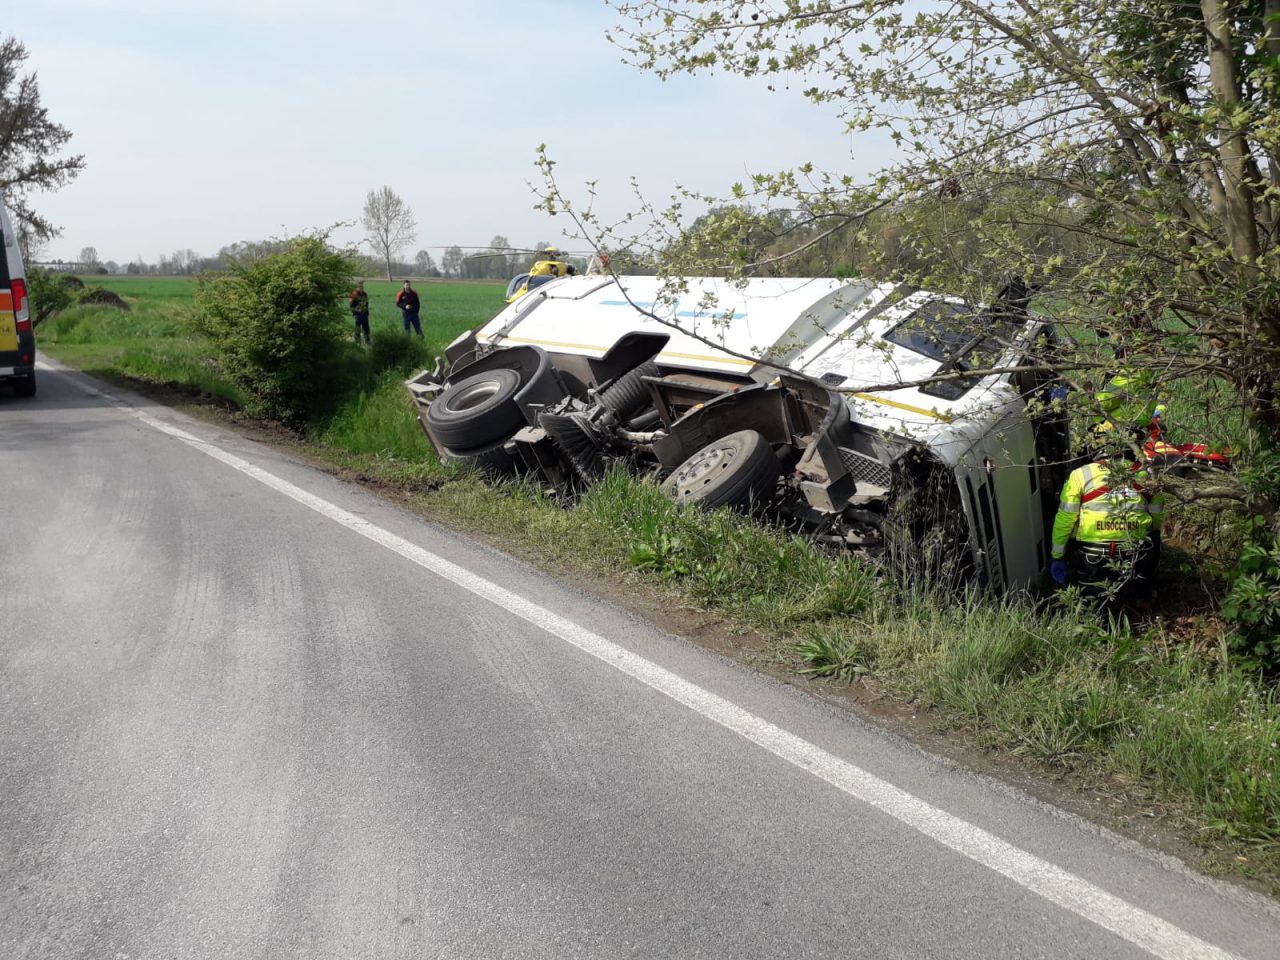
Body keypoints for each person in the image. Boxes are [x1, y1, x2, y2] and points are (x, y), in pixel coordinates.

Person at [1049, 453, 1165, 600]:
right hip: (1136, 551)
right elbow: (1157, 517)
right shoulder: (1147, 474)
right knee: (1154, 537)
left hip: (1093, 554)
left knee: (1092, 597)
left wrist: (1057, 556)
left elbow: (1065, 520)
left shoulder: (1080, 475)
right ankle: (1144, 593)